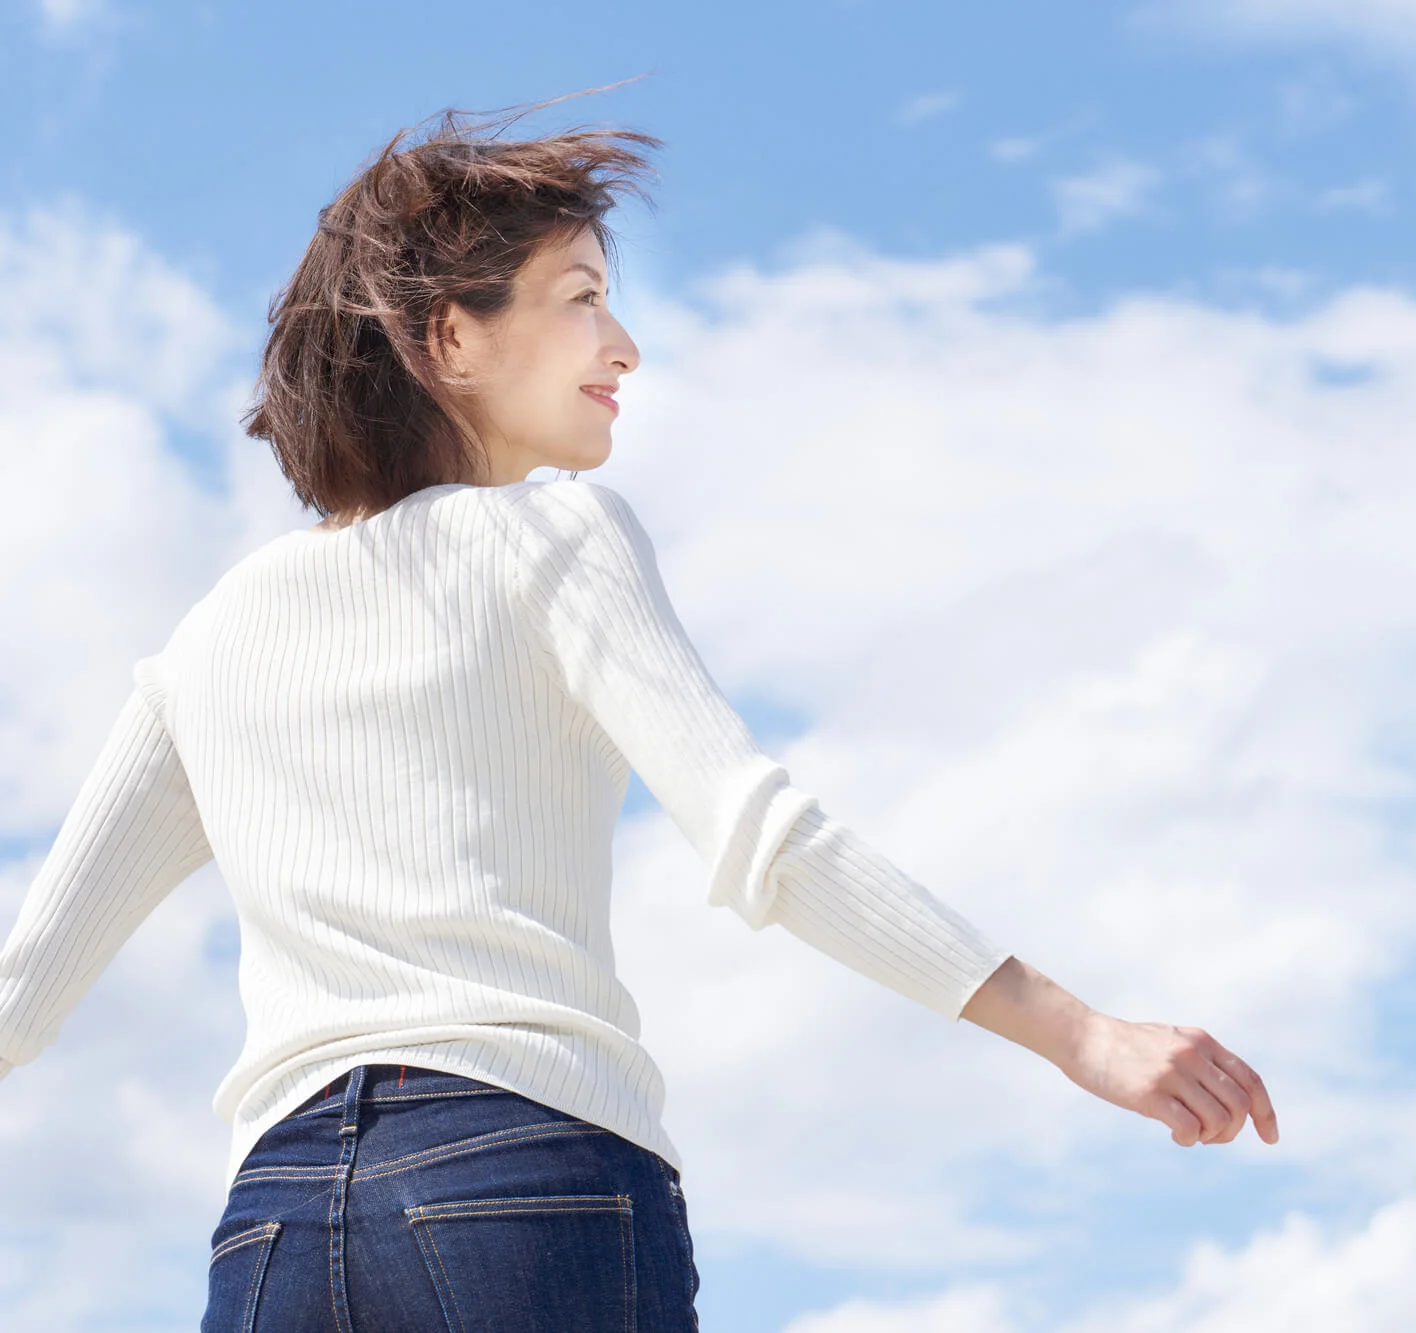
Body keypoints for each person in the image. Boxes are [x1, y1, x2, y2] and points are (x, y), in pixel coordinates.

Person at [0, 102, 1278, 1332]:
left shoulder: (207, 639)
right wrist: (1081, 1033)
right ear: (448, 340)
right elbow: (763, 840)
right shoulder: (549, 536)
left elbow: (20, 991)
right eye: (580, 298)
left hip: (272, 1229)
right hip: (516, 1182)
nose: (624, 345)